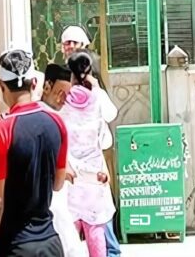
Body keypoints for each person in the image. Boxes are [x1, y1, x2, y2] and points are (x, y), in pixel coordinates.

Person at [0, 49, 68, 257]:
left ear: (1, 87)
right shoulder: (57, 123)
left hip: (14, 244)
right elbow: (58, 184)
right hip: (50, 242)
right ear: (35, 84)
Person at [61, 27, 122, 256]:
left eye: (74, 43)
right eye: (67, 43)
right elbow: (109, 112)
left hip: (77, 165)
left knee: (75, 224)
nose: (70, 47)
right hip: (89, 166)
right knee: (95, 222)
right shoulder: (91, 87)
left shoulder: (66, 93)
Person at [39, 64, 88, 257]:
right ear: (46, 87)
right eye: (60, 93)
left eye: (67, 95)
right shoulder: (39, 117)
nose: (63, 99)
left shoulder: (62, 117)